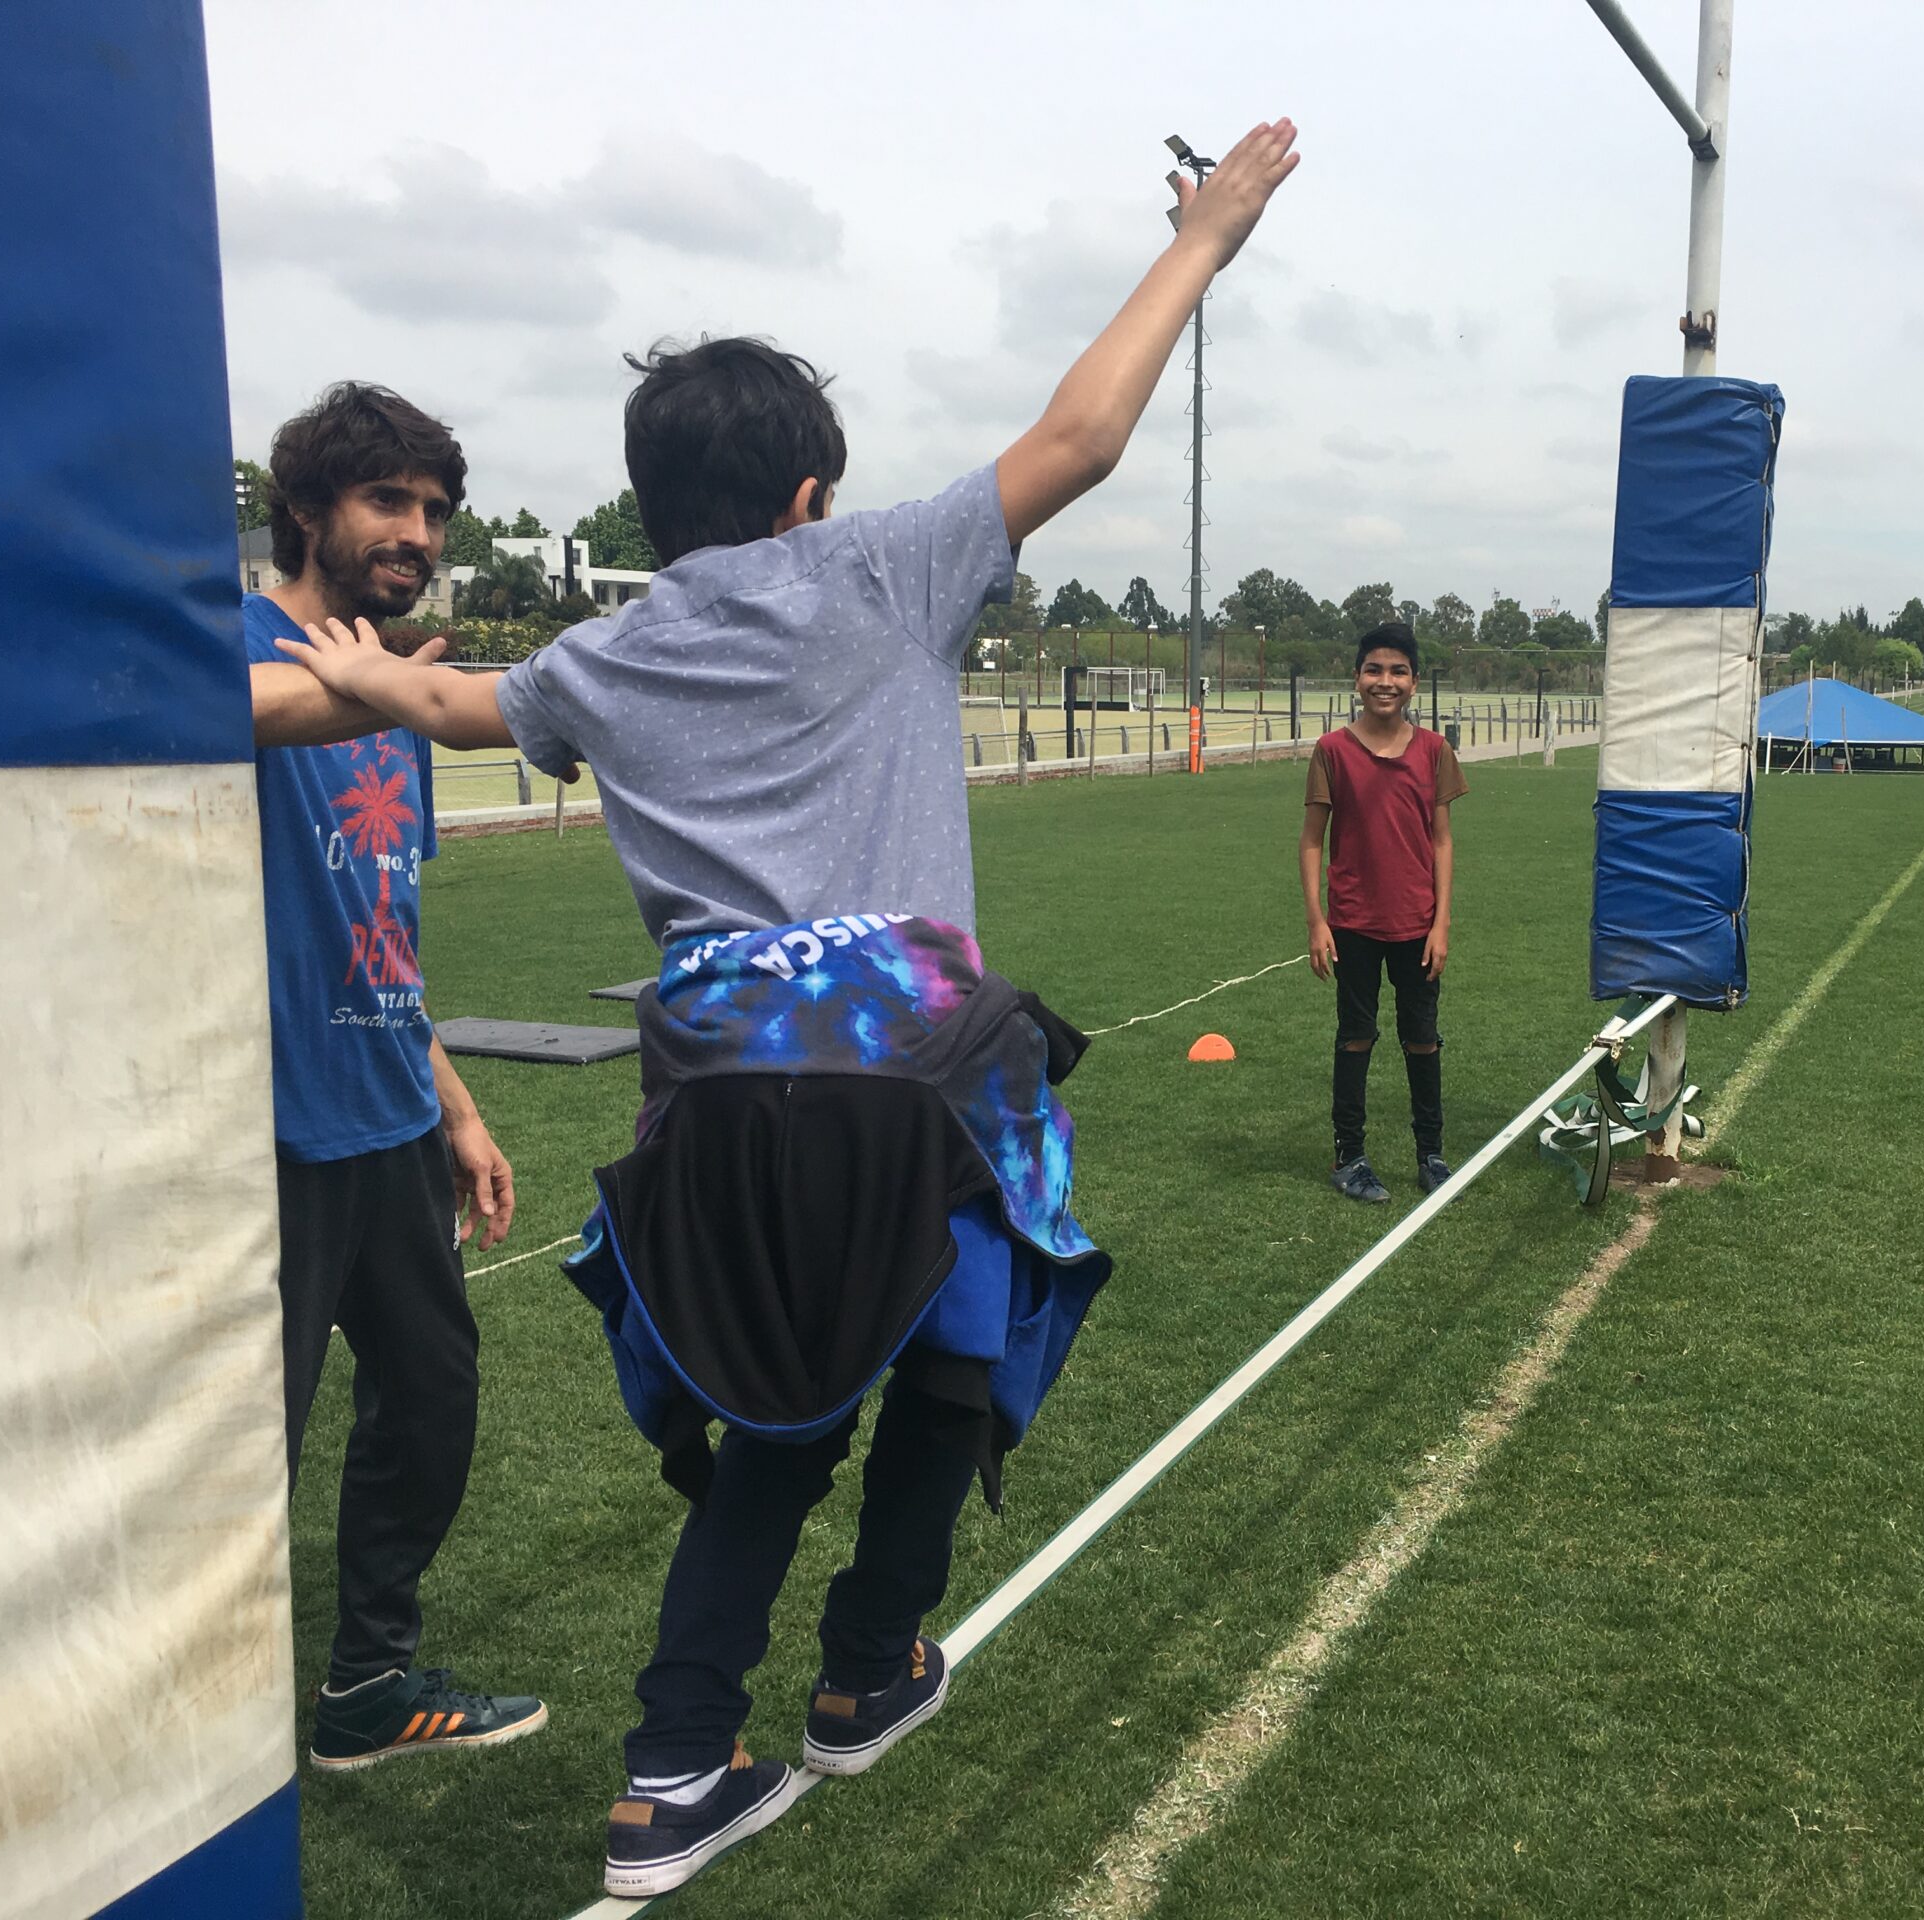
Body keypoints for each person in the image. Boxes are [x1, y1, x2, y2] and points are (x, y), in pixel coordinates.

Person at [270, 120, 1302, 1896]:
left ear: (653, 509)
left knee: (783, 1420)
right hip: (915, 1078)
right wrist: (1204, 240)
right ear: (811, 496)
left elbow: (444, 708)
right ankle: (867, 1663)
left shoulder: (602, 654)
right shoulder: (885, 568)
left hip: (721, 1098)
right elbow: (1082, 435)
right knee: (963, 1357)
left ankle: (672, 1770)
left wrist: (356, 669)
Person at [242, 382, 547, 1768]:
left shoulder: (398, 699)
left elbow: (384, 931)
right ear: (308, 508)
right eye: (386, 501)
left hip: (389, 1118)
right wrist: (371, 679)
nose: (416, 533)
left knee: (431, 1399)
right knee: (244, 1447)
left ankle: (367, 1684)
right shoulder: (233, 649)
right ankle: (177, 1739)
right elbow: (206, 714)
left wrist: (457, 1110)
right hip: (264, 1134)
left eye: (432, 510)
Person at [1300, 621, 1467, 1204]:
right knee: (1356, 1037)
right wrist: (1317, 921)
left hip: (1417, 925)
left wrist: (1441, 923)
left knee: (1422, 1039)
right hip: (1353, 924)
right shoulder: (1332, 751)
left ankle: (1431, 1154)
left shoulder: (1434, 751)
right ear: (1357, 678)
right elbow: (1312, 841)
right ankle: (1349, 1156)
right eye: (1374, 669)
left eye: (1398, 671)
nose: (1385, 681)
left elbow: (1442, 840)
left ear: (1414, 682)